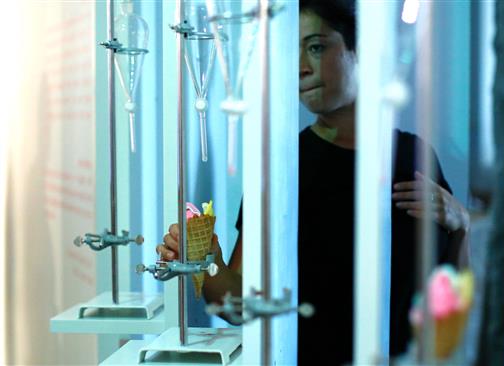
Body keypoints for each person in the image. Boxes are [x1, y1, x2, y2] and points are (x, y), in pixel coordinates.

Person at [157, 0, 470, 364]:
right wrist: (203, 261)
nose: (301, 68)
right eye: (293, 52)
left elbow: (450, 297)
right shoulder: (283, 166)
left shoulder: (413, 155)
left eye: (317, 47)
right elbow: (240, 305)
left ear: (360, 50)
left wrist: (461, 224)